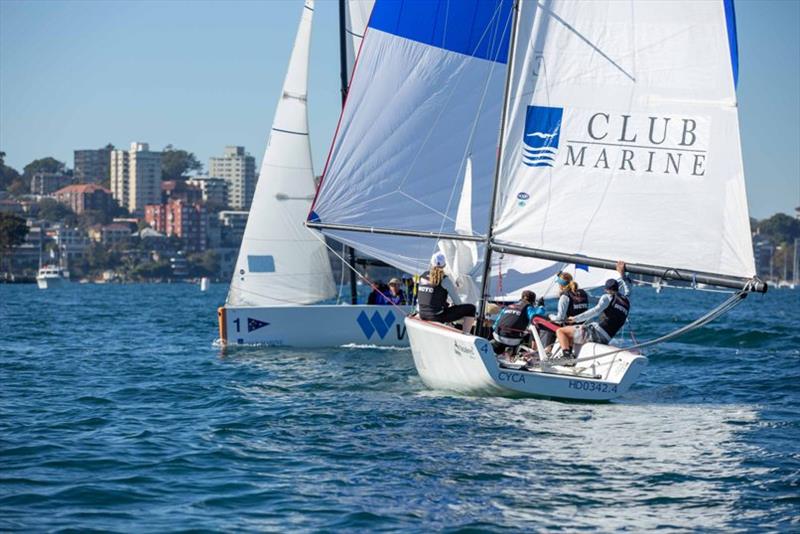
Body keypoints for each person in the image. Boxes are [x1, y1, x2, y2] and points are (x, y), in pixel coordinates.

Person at [556, 261, 631, 360]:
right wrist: (622, 274)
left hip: (595, 334)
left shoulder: (607, 297)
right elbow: (628, 288)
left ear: (606, 289)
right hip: (607, 338)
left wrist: (575, 318)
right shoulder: (626, 299)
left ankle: (566, 358)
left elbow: (595, 311)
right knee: (571, 331)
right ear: (617, 288)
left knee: (561, 332)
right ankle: (571, 356)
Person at [417, 252, 475, 334]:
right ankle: (465, 335)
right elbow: (458, 303)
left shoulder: (422, 276)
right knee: (471, 309)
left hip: (422, 314)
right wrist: (455, 290)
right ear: (444, 265)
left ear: (431, 263)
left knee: (444, 307)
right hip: (436, 317)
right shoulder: (445, 279)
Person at [491, 290, 547, 355]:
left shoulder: (508, 306)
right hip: (513, 340)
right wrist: (541, 306)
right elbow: (535, 317)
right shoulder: (528, 307)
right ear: (532, 301)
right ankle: (526, 354)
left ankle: (499, 353)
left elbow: (495, 324)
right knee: (533, 329)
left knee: (499, 345)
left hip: (498, 336)